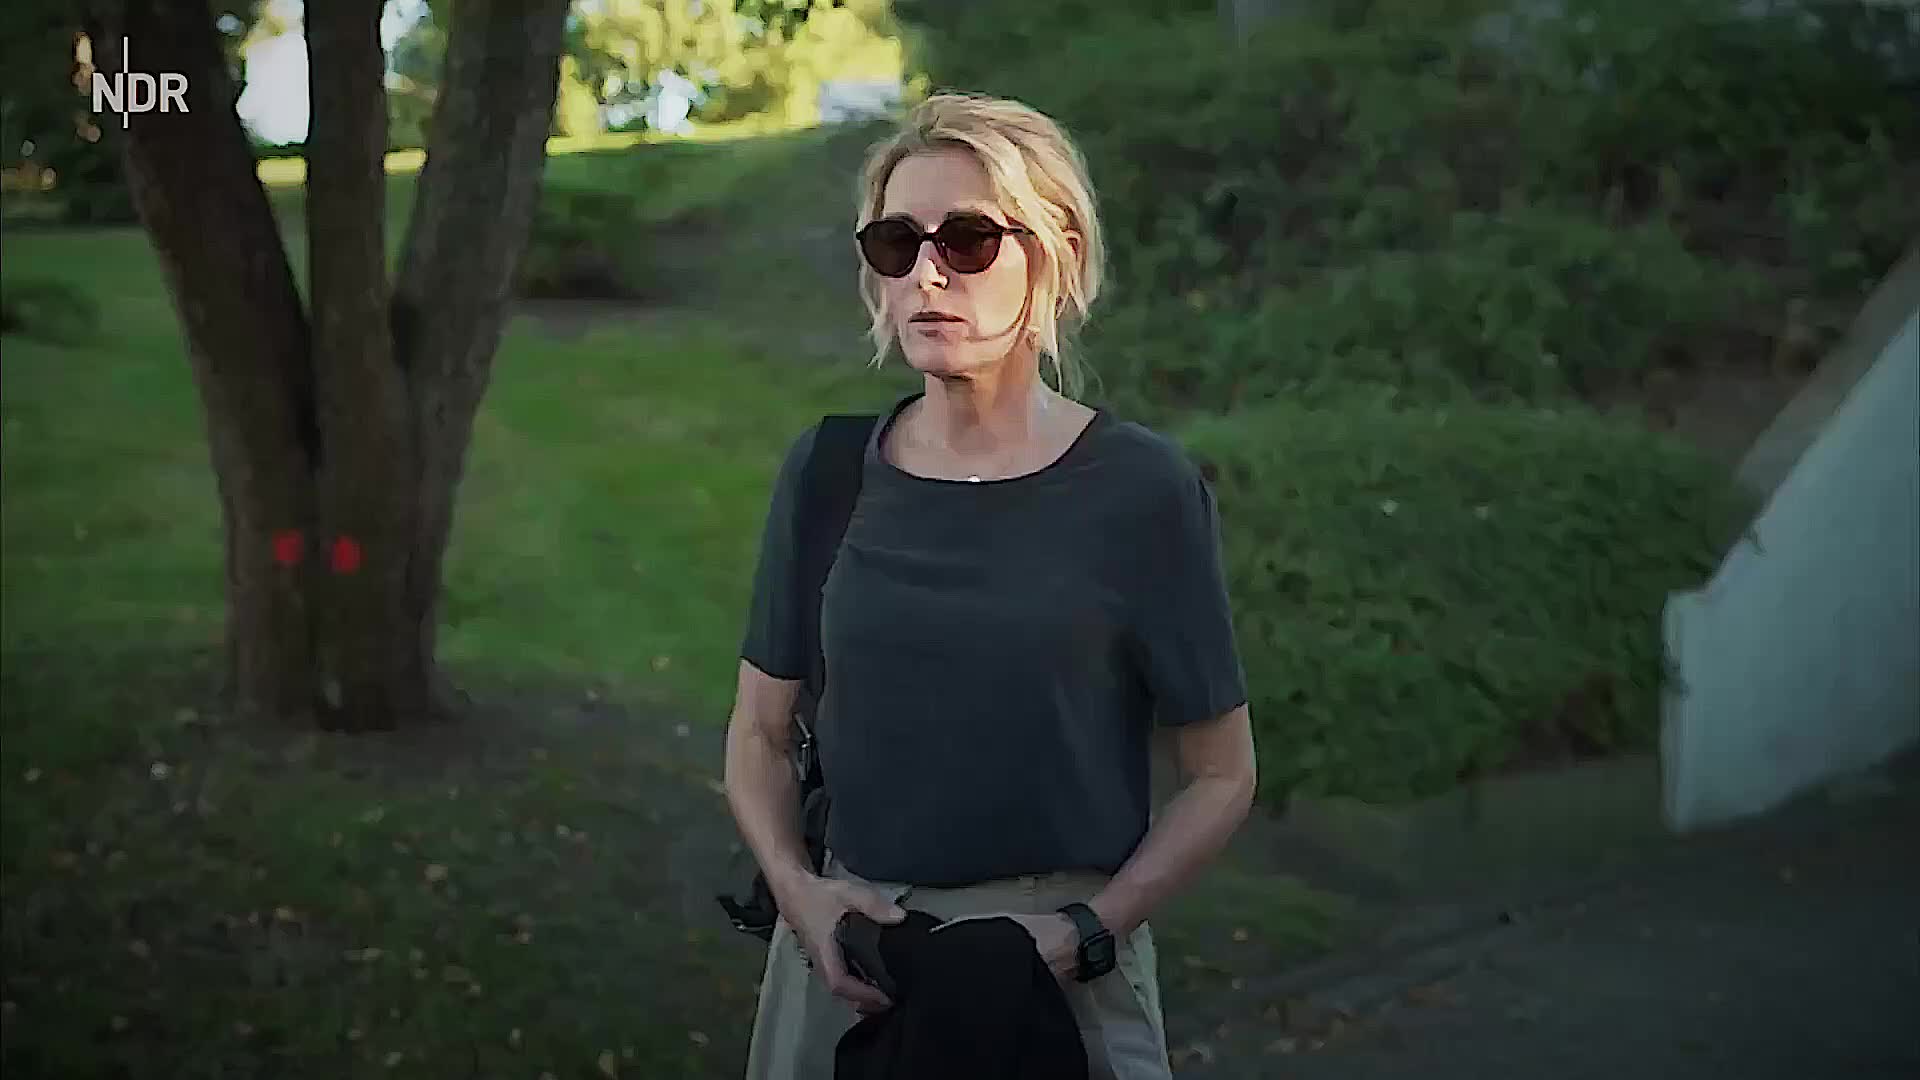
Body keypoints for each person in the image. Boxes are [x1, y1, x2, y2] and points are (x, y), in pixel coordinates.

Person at [723, 91, 1258, 1079]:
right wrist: (802, 898)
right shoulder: (829, 473)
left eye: (969, 240)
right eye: (897, 243)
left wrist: (1089, 932)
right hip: (848, 969)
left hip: (1055, 981)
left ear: (1055, 255)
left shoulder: (1141, 488)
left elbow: (1223, 774)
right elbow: (758, 733)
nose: (928, 273)